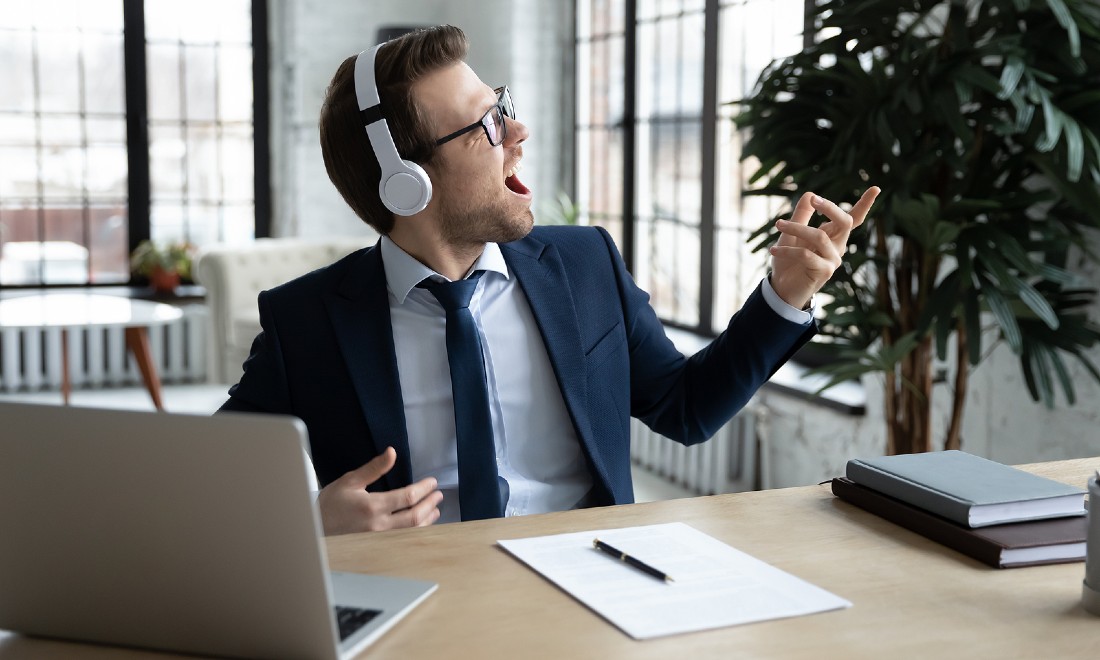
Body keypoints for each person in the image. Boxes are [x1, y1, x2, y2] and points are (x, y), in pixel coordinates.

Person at [219, 25, 879, 535]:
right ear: (406, 182)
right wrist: (309, 517)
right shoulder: (306, 321)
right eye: (486, 124)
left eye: (501, 104)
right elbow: (199, 483)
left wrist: (786, 293)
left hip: (588, 582)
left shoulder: (584, 263)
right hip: (417, 602)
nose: (518, 130)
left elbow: (685, 409)